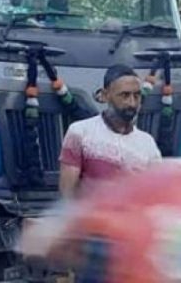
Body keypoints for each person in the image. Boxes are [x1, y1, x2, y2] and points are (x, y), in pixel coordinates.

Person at [59, 64, 161, 199]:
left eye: (137, 96)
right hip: (90, 218)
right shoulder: (80, 132)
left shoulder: (147, 143)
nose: (132, 103)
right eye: (124, 95)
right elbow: (67, 195)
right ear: (105, 95)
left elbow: (156, 195)